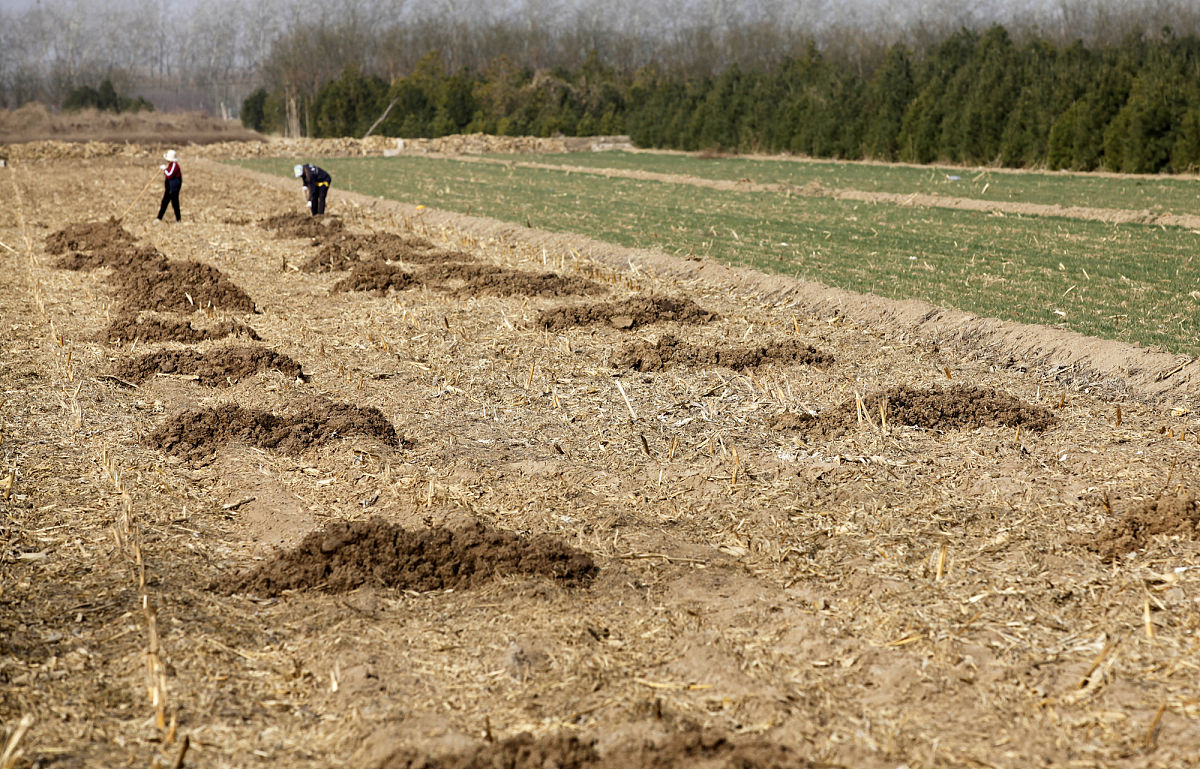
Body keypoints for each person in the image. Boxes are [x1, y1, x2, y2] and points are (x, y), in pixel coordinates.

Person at [156, 149, 182, 222]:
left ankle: (178, 219)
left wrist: (164, 170)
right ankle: (159, 218)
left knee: (174, 203)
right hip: (169, 188)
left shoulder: (175, 165)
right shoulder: (171, 165)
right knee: (165, 202)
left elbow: (169, 175)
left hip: (173, 189)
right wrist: (165, 169)